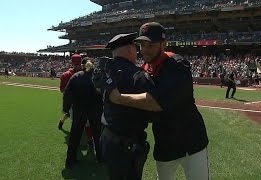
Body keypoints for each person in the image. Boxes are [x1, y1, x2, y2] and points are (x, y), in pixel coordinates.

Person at [104, 22, 210, 180]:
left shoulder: (177, 64)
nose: (145, 49)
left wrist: (118, 98)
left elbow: (158, 103)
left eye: (150, 45)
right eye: (141, 45)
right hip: (164, 143)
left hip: (191, 142)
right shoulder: (145, 68)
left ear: (164, 44)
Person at [99, 33, 152, 180]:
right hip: (127, 143)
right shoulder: (137, 74)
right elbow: (150, 109)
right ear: (129, 50)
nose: (137, 51)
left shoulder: (105, 70)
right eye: (135, 48)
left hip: (108, 137)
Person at [62, 60, 101, 168]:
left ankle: (70, 160)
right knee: (97, 135)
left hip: (79, 109)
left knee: (75, 136)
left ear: (82, 66)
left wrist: (66, 108)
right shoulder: (97, 76)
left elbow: (67, 93)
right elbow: (102, 94)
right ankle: (100, 158)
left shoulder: (76, 76)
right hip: (94, 110)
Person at [58, 54, 82, 129]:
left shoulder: (83, 72)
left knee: (70, 113)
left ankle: (61, 121)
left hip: (78, 98)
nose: (78, 65)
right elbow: (62, 89)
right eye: (77, 64)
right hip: (72, 99)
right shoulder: (66, 75)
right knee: (72, 115)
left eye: (79, 63)